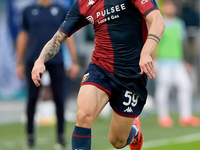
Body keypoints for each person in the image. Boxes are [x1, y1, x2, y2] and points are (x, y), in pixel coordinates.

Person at [31, 0, 165, 150]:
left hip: (131, 75)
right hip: (100, 68)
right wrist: (40, 60)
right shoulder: (83, 4)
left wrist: (146, 52)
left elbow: (158, 21)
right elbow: (58, 37)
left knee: (118, 141)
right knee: (83, 115)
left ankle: (134, 131)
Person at [15, 0, 79, 148]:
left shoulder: (61, 9)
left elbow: (68, 35)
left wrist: (74, 60)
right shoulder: (28, 10)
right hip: (33, 60)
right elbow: (23, 36)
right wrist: (19, 62)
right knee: (32, 98)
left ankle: (61, 136)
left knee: (59, 98)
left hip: (56, 60)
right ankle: (30, 136)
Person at [154, 0, 200, 127]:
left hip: (177, 61)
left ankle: (186, 116)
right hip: (163, 61)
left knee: (186, 86)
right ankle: (163, 117)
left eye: (171, 5)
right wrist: (155, 61)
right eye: (167, 5)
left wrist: (185, 61)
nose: (169, 8)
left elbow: (182, 43)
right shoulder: (159, 22)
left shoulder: (180, 23)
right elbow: (154, 43)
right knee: (163, 89)